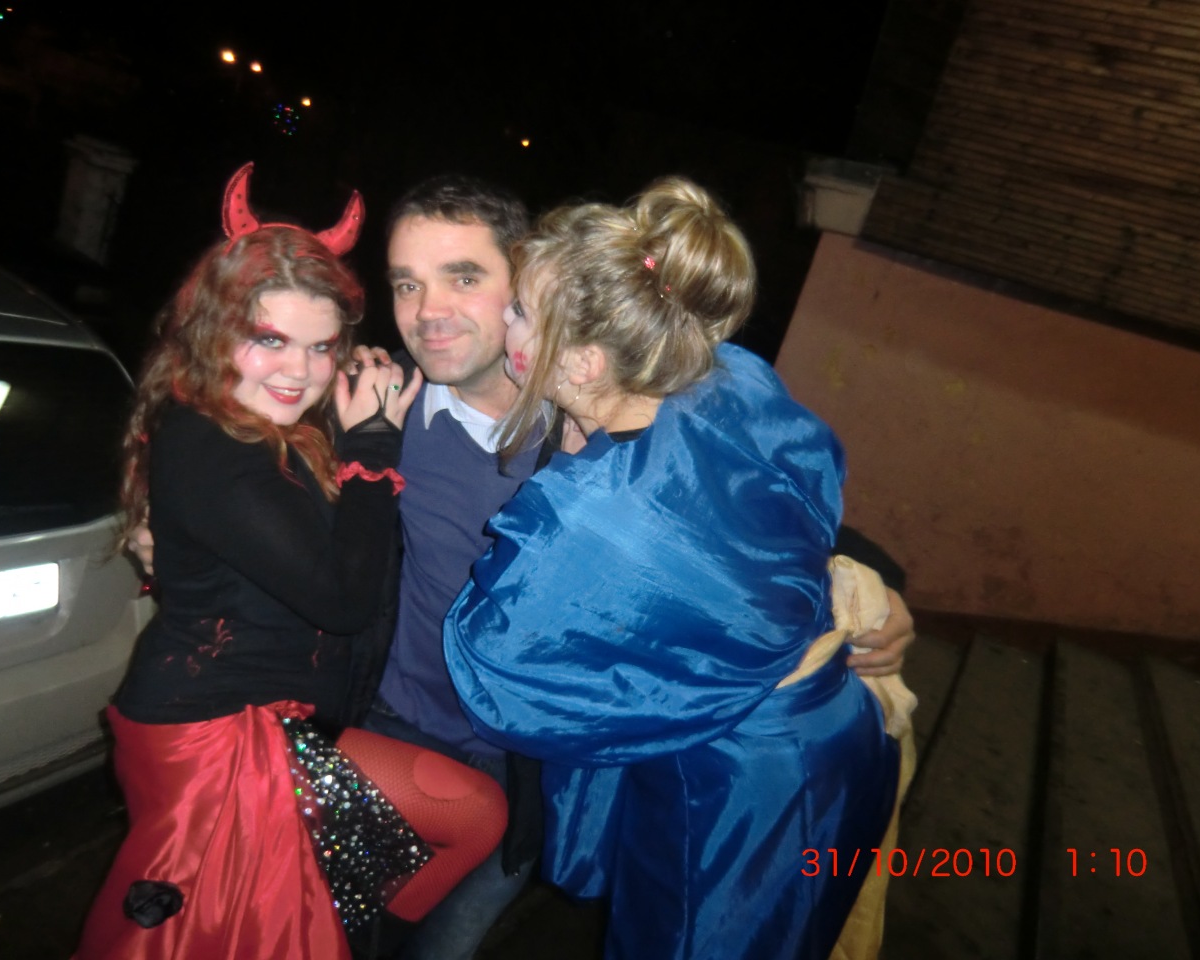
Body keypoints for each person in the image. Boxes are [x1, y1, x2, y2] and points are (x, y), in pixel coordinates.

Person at [128, 173, 917, 960]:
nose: (428, 311)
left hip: (531, 770)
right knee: (322, 934)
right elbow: (225, 419)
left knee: (445, 948)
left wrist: (869, 586)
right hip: (387, 728)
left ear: (529, 288)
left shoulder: (607, 406)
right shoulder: (368, 403)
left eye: (464, 278)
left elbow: (755, 501)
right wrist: (152, 518)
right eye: (407, 283)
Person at [443, 177, 900, 960]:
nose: (500, 319)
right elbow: (803, 496)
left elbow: (493, 671)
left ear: (583, 361)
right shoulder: (724, 377)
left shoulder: (587, 521)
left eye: (518, 310)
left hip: (741, 791)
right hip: (835, 726)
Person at [77, 165, 506, 960]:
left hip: (271, 723)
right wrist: (373, 455)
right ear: (214, 330)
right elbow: (342, 596)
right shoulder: (208, 441)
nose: (297, 371)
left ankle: (357, 921)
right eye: (268, 339)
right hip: (212, 736)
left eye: (319, 347)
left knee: (470, 820)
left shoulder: (264, 425)